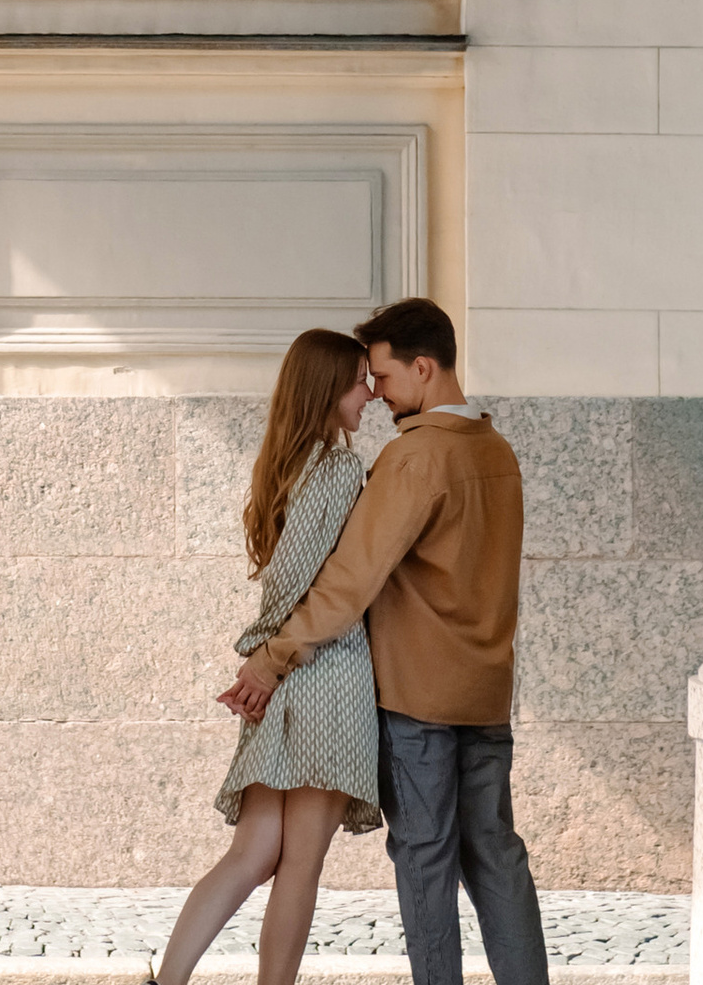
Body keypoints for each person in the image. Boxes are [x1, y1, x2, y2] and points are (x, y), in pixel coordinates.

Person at [223, 299, 546, 985]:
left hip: (419, 701)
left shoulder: (414, 457)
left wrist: (273, 656)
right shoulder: (498, 451)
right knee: (496, 856)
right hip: (487, 697)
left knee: (426, 863)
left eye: (384, 376)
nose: (376, 392)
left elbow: (347, 583)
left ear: (423, 368)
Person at [153, 330, 383, 985]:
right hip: (327, 672)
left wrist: (265, 660)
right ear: (328, 385)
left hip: (284, 677)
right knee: (301, 864)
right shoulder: (339, 470)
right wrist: (272, 657)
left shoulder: (284, 469)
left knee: (251, 854)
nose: (370, 392)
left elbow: (284, 573)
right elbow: (311, 579)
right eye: (360, 379)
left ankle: (167, 981)